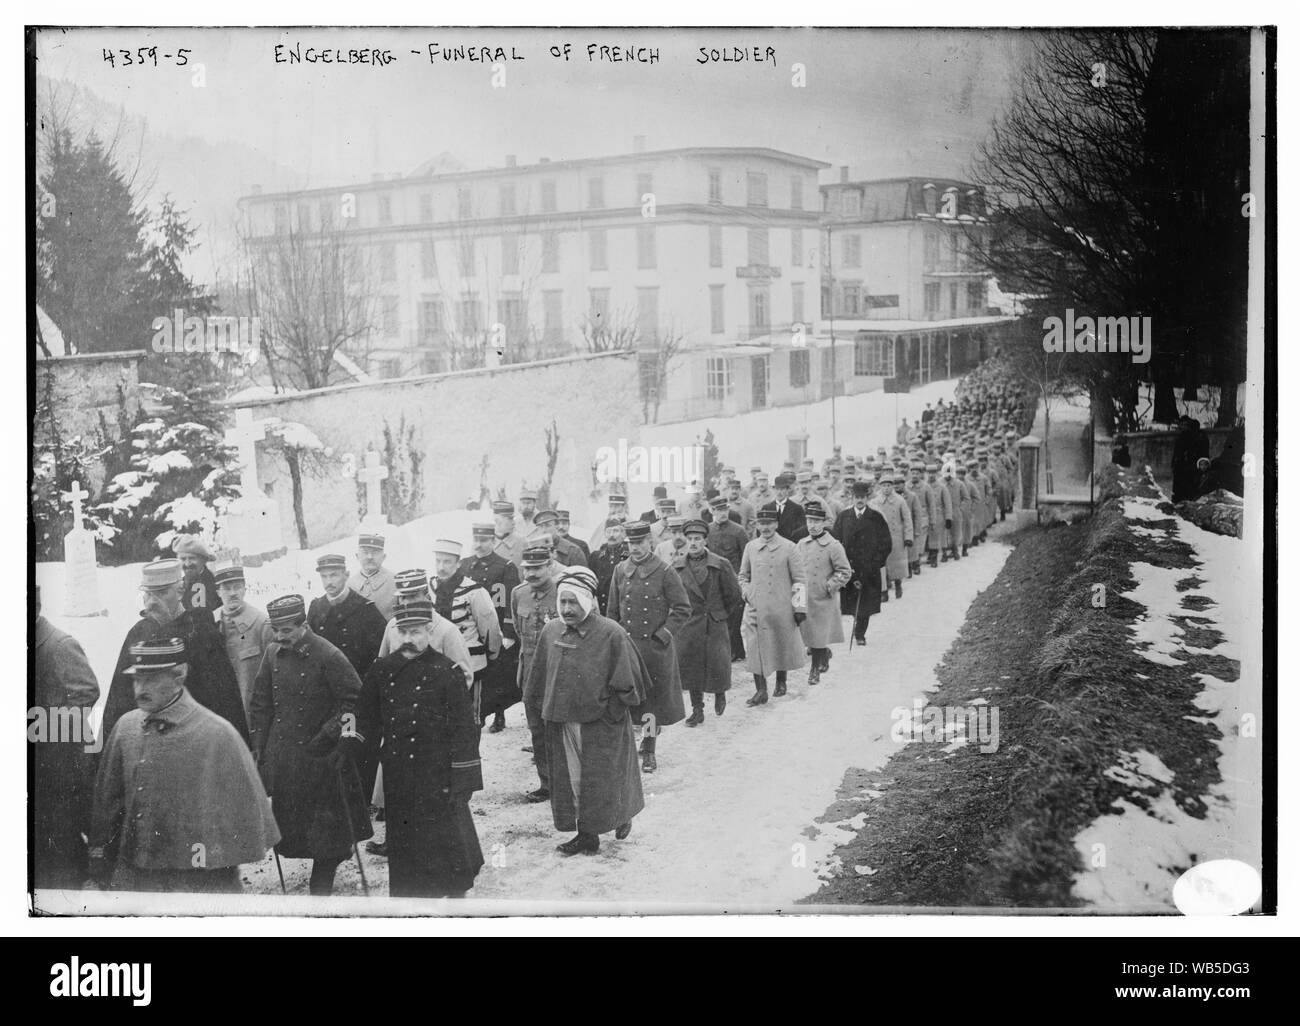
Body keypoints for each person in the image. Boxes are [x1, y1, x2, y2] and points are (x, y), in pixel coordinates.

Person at [88, 638, 279, 893]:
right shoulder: (126, 727)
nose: (140, 689)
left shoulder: (218, 734)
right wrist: (100, 855)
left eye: (151, 679)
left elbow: (244, 820)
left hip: (197, 882)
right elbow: (107, 801)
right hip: (135, 875)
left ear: (179, 675)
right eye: (136, 679)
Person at [344, 599, 484, 898]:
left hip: (438, 775)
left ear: (428, 631)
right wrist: (346, 742)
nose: (408, 639)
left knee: (447, 843)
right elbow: (359, 713)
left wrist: (464, 778)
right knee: (407, 848)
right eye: (403, 631)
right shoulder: (382, 669)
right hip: (399, 773)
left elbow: (464, 728)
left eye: (416, 632)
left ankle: (455, 897)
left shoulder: (447, 670)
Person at [249, 595, 373, 896]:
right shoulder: (272, 653)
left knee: (326, 834)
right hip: (289, 759)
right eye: (276, 631)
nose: (280, 637)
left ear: (304, 625)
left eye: (286, 631)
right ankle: (329, 865)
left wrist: (332, 735)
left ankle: (322, 885)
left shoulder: (329, 655)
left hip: (323, 758)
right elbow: (261, 704)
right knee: (297, 830)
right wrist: (259, 749)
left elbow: (355, 700)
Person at [525, 567, 645, 856]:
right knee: (574, 782)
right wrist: (542, 710)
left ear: (588, 601)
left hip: (601, 723)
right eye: (563, 602)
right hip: (563, 722)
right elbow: (539, 676)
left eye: (574, 602)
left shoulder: (611, 633)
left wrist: (610, 713)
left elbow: (631, 684)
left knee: (606, 779)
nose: (567, 609)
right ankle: (587, 836)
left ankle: (621, 815)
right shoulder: (551, 630)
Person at [101, 559, 248, 747]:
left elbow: (226, 699)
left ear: (180, 592)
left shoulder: (202, 633)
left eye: (162, 593)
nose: (153, 601)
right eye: (148, 594)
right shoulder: (137, 634)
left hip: (196, 742)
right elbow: (119, 698)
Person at [605, 520, 689, 773]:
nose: (636, 547)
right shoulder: (620, 570)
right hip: (626, 648)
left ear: (650, 542)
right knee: (624, 700)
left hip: (653, 650)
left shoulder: (665, 571)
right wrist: (613, 641)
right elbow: (612, 610)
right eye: (631, 542)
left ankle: (650, 749)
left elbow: (683, 609)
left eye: (640, 542)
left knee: (651, 705)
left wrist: (663, 635)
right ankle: (629, 747)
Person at [33, 590, 99, 890]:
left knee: (62, 842)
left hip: (61, 764)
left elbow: (86, 692)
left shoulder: (59, 645)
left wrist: (46, 726)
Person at [673, 518, 742, 726]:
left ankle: (720, 693)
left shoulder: (720, 564)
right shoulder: (677, 567)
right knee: (692, 668)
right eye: (690, 539)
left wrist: (720, 614)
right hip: (690, 625)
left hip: (715, 623)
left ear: (705, 541)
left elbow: (734, 596)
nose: (693, 543)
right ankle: (697, 709)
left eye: (698, 539)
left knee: (718, 664)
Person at [738, 505, 807, 705]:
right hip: (755, 609)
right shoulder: (751, 547)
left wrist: (799, 607)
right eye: (761, 523)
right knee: (755, 648)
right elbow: (743, 575)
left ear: (776, 524)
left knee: (780, 643)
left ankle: (781, 681)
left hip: (782, 607)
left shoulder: (789, 547)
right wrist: (747, 592)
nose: (765, 527)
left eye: (769, 523)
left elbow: (800, 579)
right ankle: (761, 690)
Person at [432, 538, 502, 725]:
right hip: (436, 665)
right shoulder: (429, 589)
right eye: (438, 561)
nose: (441, 567)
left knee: (470, 718)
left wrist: (491, 656)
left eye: (447, 562)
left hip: (470, 664)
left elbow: (490, 629)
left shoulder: (474, 591)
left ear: (458, 563)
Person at [459, 524, 521, 732]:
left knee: (497, 675)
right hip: (469, 628)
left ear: (493, 542)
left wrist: (508, 631)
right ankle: (476, 713)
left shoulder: (504, 567)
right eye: (476, 539)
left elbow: (507, 600)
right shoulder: (464, 565)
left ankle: (498, 714)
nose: (479, 544)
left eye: (484, 540)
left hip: (494, 627)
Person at [511, 544, 560, 802]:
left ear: (549, 566)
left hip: (558, 674)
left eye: (537, 568)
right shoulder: (519, 594)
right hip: (530, 673)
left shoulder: (564, 592)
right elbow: (520, 633)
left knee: (560, 730)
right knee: (537, 730)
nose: (531, 573)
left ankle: (566, 782)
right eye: (527, 568)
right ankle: (547, 784)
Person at [796, 500, 852, 685]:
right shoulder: (801, 544)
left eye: (816, 521)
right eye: (809, 521)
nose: (812, 525)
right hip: (804, 597)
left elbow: (845, 571)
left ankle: (814, 670)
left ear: (824, 523)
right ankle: (824, 655)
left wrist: (829, 586)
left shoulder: (833, 545)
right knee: (810, 635)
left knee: (818, 636)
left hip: (823, 600)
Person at [308, 553, 388, 681]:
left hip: (359, 682)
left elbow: (380, 654)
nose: (329, 582)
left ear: (346, 575)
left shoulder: (365, 609)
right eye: (324, 576)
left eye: (334, 575)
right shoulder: (316, 608)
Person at [831, 482, 892, 644]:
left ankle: (860, 634)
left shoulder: (876, 518)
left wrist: (876, 563)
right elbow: (835, 543)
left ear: (867, 498)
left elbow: (886, 543)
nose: (859, 500)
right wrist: (840, 564)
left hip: (869, 569)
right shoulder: (844, 517)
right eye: (856, 497)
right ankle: (857, 623)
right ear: (852, 498)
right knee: (852, 604)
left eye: (862, 497)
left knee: (865, 605)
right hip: (849, 568)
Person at [213, 564, 274, 715]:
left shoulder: (262, 624)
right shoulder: (209, 623)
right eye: (227, 588)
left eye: (237, 587)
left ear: (245, 590)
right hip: (222, 711)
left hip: (253, 712)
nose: (233, 593)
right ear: (218, 592)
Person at [706, 494, 749, 662]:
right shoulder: (708, 530)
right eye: (718, 510)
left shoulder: (738, 531)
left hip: (734, 580)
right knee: (719, 616)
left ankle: (732, 651)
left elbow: (746, 556)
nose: (721, 513)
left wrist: (743, 580)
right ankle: (736, 651)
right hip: (715, 580)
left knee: (734, 617)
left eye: (724, 509)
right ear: (712, 511)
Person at [875, 474, 913, 601]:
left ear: (892, 486)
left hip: (896, 536)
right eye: (884, 486)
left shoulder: (899, 500)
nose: (886, 488)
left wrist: (908, 537)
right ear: (880, 487)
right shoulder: (875, 501)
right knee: (881, 565)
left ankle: (898, 585)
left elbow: (907, 519)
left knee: (896, 563)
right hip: (880, 538)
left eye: (889, 485)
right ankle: (884, 591)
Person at [348, 533, 397, 620]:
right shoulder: (349, 586)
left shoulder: (395, 582)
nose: (370, 557)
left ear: (384, 556)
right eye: (365, 552)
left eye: (375, 552)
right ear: (357, 556)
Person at [589, 517, 629, 615]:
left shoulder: (629, 556)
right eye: (608, 531)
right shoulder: (596, 556)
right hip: (601, 607)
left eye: (616, 531)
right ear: (604, 534)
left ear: (623, 534)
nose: (611, 535)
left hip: (622, 607)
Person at [173, 534, 219, 613]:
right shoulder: (182, 582)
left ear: (203, 560)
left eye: (192, 558)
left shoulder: (210, 582)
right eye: (183, 559)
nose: (187, 564)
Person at [1172, 416, 1209, 502]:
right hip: (1190, 469)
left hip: (1188, 469)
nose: (1180, 427)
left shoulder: (1187, 436)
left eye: (1183, 425)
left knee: (1185, 494)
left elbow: (1178, 454)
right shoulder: (1199, 436)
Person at [770, 474, 808, 543]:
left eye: (782, 489)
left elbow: (802, 532)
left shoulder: (797, 509)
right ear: (773, 490)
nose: (779, 492)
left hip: (791, 547)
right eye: (777, 489)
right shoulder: (767, 508)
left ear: (787, 490)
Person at [492, 500, 527, 569]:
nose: (514, 523)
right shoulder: (485, 541)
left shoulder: (522, 542)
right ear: (497, 520)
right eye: (510, 519)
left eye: (513, 519)